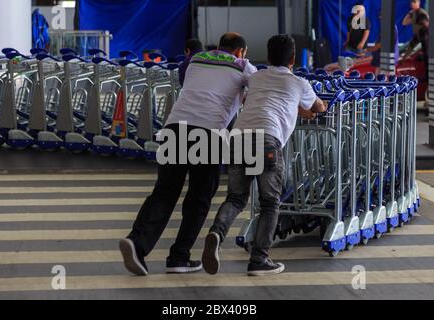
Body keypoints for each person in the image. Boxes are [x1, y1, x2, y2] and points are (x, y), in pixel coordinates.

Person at [119, 32, 257, 276]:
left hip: (174, 127)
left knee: (164, 191)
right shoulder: (243, 66)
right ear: (239, 52)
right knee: (199, 198)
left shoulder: (195, 60)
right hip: (208, 132)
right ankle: (179, 256)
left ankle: (137, 242)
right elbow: (259, 89)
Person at [201, 35, 326, 276]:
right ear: (293, 59)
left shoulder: (255, 77)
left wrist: (296, 111)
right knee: (270, 203)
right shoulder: (299, 83)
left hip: (239, 137)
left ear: (267, 57)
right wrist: (318, 109)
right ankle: (259, 258)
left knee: (236, 198)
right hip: (268, 139)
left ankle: (217, 232)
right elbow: (317, 106)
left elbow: (264, 99)